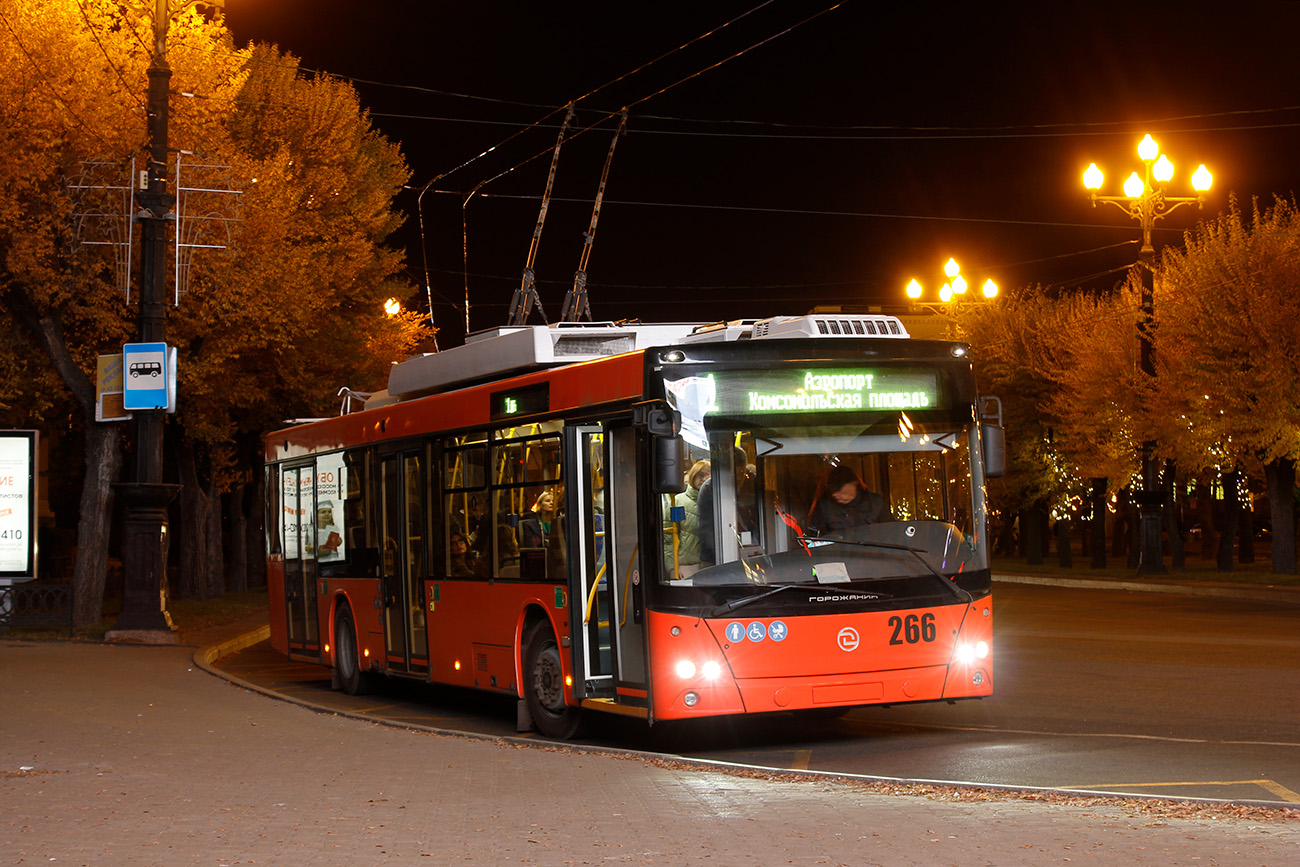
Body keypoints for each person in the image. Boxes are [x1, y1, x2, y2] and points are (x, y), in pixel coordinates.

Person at [807, 464, 887, 534]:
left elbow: (890, 532)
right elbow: (815, 534)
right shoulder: (824, 506)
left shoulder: (875, 503)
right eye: (833, 490)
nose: (835, 495)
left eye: (839, 489)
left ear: (854, 484)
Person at [663, 459, 709, 578]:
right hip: (687, 567)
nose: (704, 479)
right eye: (700, 475)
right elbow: (668, 540)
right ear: (693, 477)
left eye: (708, 476)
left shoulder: (717, 501)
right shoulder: (678, 502)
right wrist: (673, 568)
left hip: (713, 564)